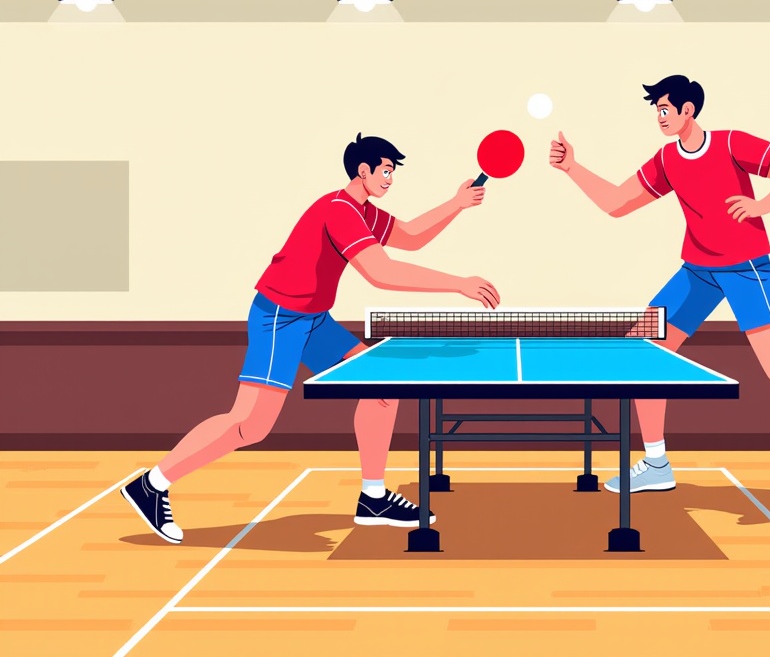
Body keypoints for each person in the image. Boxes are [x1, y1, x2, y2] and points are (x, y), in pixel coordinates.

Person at [122, 133, 500, 543]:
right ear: (364, 171)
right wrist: (459, 283)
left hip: (314, 318)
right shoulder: (339, 211)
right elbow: (381, 273)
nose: (391, 179)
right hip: (281, 316)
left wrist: (456, 204)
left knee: (379, 389)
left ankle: (373, 498)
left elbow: (409, 236)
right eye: (386, 170)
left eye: (393, 171)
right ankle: (152, 484)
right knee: (250, 424)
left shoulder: (363, 211)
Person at [549, 75, 770, 502]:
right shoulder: (667, 159)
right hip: (698, 271)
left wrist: (760, 206)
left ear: (688, 110)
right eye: (656, 110)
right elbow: (618, 203)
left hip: (746, 268)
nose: (660, 117)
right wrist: (571, 168)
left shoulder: (732, 144)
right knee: (645, 349)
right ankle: (656, 462)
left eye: (665, 109)